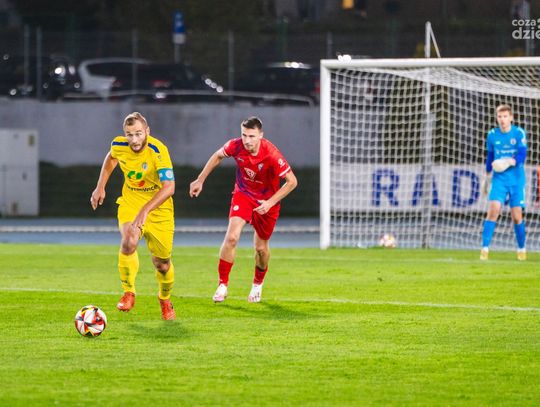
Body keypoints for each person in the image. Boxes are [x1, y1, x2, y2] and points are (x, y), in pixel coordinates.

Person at [189, 116, 298, 303]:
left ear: (260, 135)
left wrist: (270, 203)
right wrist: (200, 179)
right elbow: (217, 156)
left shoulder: (271, 154)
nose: (247, 140)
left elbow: (292, 182)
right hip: (244, 195)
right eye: (244, 135)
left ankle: (257, 284)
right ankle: (222, 285)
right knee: (231, 237)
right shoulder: (235, 145)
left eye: (252, 136)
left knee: (261, 248)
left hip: (266, 201)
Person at [90, 112, 177, 319]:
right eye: (130, 134)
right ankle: (128, 292)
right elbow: (111, 157)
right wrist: (100, 186)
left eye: (138, 134)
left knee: (162, 264)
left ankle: (165, 299)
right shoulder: (119, 145)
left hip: (159, 208)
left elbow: (169, 187)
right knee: (129, 240)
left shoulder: (158, 150)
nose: (134, 140)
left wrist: (145, 210)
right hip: (131, 202)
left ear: (147, 131)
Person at [480, 104, 527, 261]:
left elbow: (522, 155)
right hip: (499, 179)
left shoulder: (518, 133)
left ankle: (521, 249)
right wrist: (487, 177)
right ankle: (484, 249)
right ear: (497, 118)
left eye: (505, 116)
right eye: (499, 116)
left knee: (516, 216)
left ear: (511, 117)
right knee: (493, 210)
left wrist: (508, 162)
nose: (502, 120)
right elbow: (490, 156)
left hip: (516, 179)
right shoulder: (492, 135)